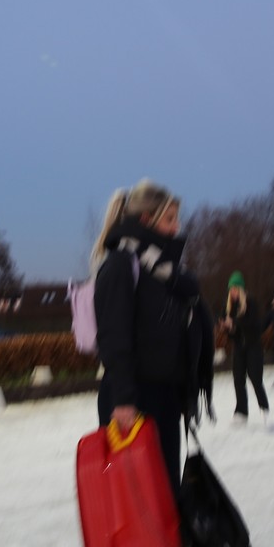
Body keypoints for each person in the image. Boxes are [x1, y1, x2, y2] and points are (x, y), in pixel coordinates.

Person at [92, 179, 215, 500]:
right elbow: (113, 337)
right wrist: (124, 401)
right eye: (170, 219)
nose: (176, 227)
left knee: (164, 495)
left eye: (177, 218)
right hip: (133, 400)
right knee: (138, 500)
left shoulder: (164, 272)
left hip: (164, 397)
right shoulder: (121, 266)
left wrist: (183, 390)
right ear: (147, 220)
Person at [222, 271, 269, 426]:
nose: (232, 292)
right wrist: (228, 328)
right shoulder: (230, 307)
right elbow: (233, 333)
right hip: (239, 347)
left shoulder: (251, 303)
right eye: (231, 289)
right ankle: (241, 412)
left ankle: (264, 407)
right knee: (238, 379)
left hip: (253, 345)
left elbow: (254, 325)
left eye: (235, 288)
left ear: (241, 289)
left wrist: (235, 322)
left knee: (255, 377)